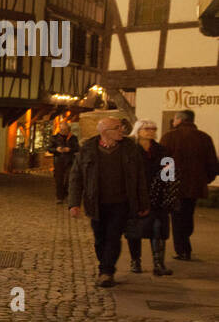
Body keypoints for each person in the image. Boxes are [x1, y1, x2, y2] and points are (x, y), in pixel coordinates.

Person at [67, 117, 150, 288]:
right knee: (100, 239)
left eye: (121, 127)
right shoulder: (88, 149)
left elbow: (141, 177)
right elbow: (76, 177)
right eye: (117, 128)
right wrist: (74, 203)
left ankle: (106, 271)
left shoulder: (130, 149)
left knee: (113, 236)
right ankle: (105, 265)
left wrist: (143, 203)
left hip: (121, 202)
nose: (122, 130)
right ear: (105, 132)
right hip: (96, 203)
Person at [159, 109, 219, 261]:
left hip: (175, 185)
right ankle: (185, 245)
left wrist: (166, 183)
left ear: (178, 120)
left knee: (177, 218)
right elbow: (213, 164)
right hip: (195, 186)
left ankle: (183, 250)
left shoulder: (169, 137)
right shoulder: (204, 138)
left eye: (174, 119)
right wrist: (205, 180)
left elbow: (164, 163)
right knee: (188, 214)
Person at [124, 120, 173, 276]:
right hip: (136, 197)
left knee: (158, 229)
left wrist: (166, 187)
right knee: (135, 231)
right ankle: (135, 261)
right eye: (147, 129)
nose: (150, 131)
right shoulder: (130, 150)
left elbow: (169, 173)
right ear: (138, 131)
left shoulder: (162, 150)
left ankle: (159, 264)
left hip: (158, 197)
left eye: (153, 128)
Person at [47, 119, 79, 203]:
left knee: (69, 179)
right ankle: (60, 197)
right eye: (61, 129)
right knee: (59, 179)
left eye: (65, 130)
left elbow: (77, 148)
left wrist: (70, 149)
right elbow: (49, 149)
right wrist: (56, 149)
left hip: (70, 161)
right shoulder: (54, 138)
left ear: (68, 130)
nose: (63, 131)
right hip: (59, 161)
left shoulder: (73, 138)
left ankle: (65, 193)